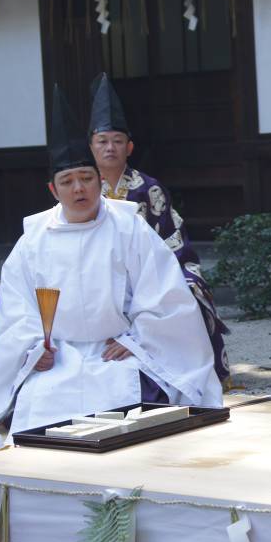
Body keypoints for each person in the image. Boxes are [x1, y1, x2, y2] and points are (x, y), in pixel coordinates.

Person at [0, 85, 222, 437]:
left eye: (86, 178)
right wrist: (34, 348)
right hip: (58, 354)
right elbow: (16, 311)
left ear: (99, 181)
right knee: (40, 413)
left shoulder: (129, 228)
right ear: (53, 189)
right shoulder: (33, 240)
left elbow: (163, 296)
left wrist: (136, 340)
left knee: (134, 411)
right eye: (67, 181)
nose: (78, 189)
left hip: (119, 350)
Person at [87, 73, 230, 383]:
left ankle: (186, 372)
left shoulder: (148, 188)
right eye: (102, 141)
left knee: (190, 291)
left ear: (130, 147)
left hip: (148, 276)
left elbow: (170, 238)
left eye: (117, 141)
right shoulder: (83, 189)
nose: (110, 147)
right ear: (91, 146)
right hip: (96, 278)